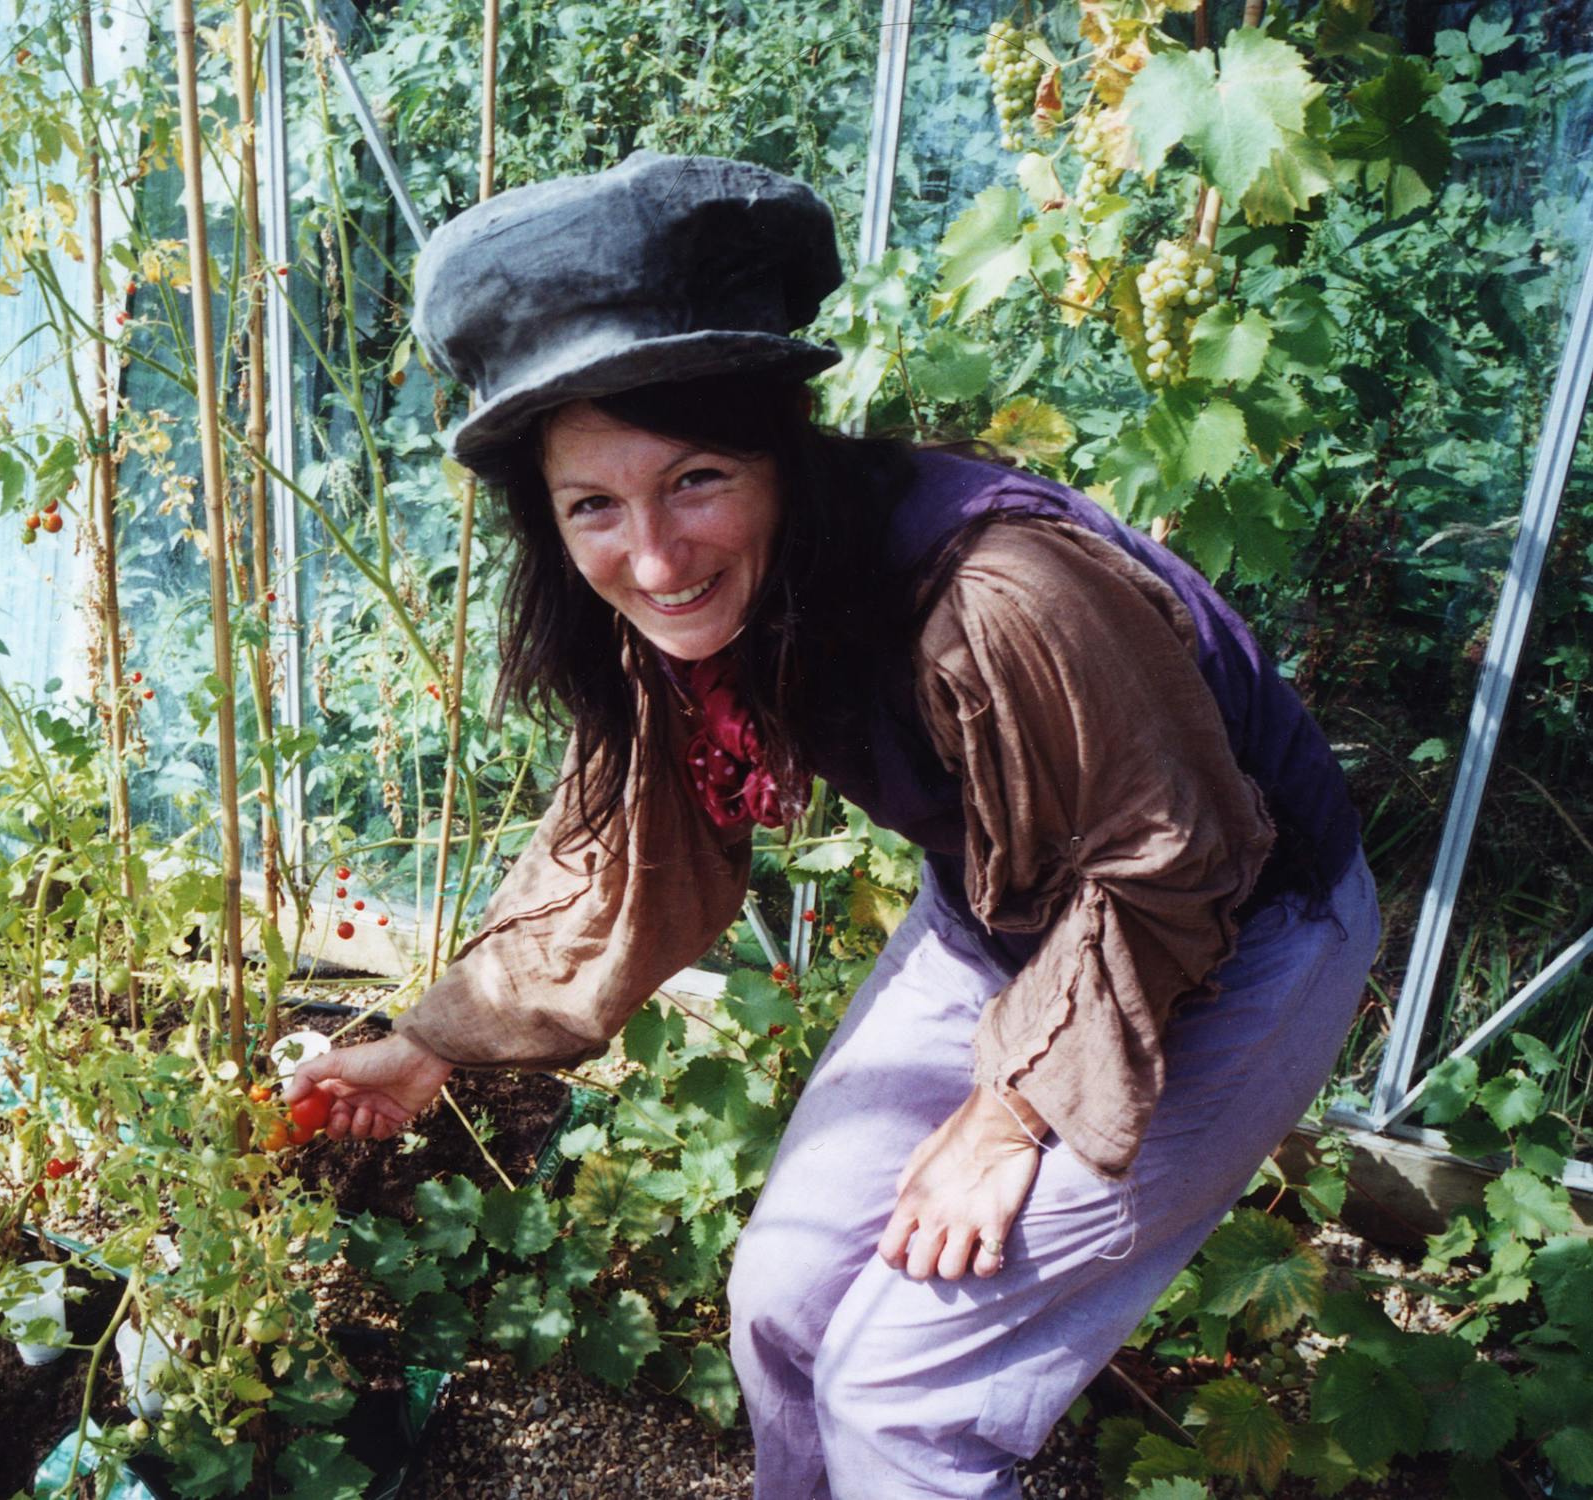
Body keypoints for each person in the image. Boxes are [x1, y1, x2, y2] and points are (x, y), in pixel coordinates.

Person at [281, 151, 1378, 1498]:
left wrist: (1008, 1112)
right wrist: (429, 1042)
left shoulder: (997, 590)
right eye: (592, 506)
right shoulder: (683, 619)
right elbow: (632, 850)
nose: (653, 557)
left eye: (694, 478)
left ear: (778, 448)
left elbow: (1165, 862)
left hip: (1223, 928)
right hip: (1008, 912)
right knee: (784, 1302)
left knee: (901, 1398)